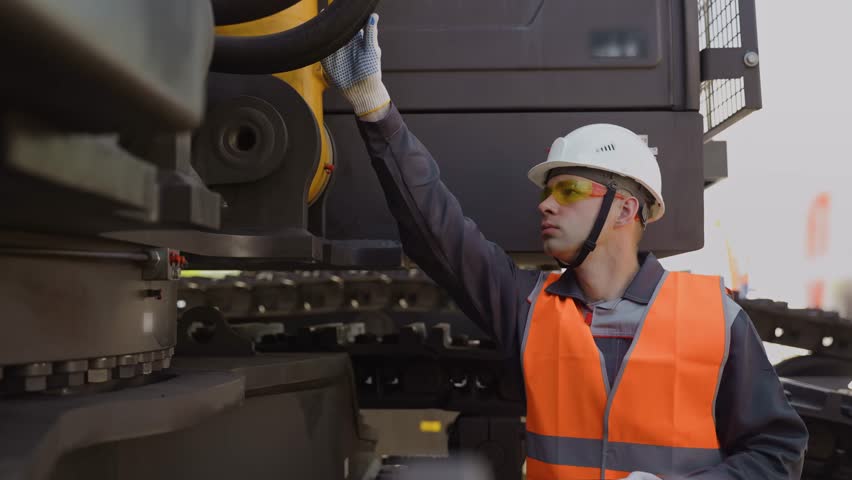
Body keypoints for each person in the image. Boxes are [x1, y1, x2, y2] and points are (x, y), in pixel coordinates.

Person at [321, 14, 808, 480]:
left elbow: (776, 451)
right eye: (546, 193)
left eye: (569, 190)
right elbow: (438, 232)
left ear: (625, 210)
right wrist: (374, 107)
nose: (546, 206)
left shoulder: (716, 320)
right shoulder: (529, 307)